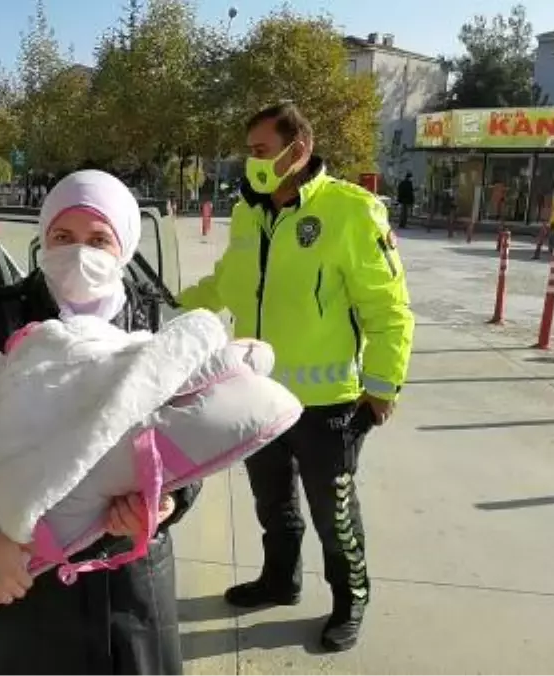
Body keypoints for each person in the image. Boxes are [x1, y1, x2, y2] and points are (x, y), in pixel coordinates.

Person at [0, 169, 199, 676]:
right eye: (63, 237)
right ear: (42, 239)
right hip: (34, 574)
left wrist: (168, 502)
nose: (80, 253)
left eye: (99, 239)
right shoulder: (4, 319)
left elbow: (193, 424)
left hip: (131, 572)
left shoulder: (153, 320)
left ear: (124, 245)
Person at [178, 102, 414, 653]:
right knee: (272, 501)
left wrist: (382, 387)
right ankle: (279, 580)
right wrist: (172, 309)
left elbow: (389, 309)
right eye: (250, 152)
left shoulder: (351, 212)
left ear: (298, 149)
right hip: (257, 395)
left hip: (328, 403)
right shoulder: (248, 212)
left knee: (334, 513)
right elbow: (227, 284)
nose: (251, 163)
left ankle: (350, 598)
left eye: (261, 151)